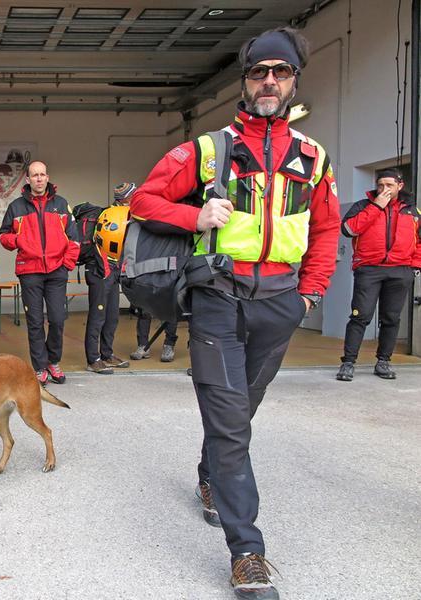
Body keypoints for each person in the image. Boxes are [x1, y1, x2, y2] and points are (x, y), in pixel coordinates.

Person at [130, 28, 339, 599]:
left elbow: (324, 230)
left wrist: (310, 295)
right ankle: (248, 552)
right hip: (219, 299)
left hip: (280, 303)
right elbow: (143, 200)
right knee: (229, 422)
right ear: (243, 83)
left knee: (242, 412)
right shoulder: (207, 148)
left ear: (295, 80)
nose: (269, 81)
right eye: (258, 72)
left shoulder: (314, 157)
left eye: (281, 72)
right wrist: (193, 218)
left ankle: (208, 476)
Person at [0, 160, 79, 385]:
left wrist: (67, 265)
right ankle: (40, 367)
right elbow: (3, 236)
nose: (39, 178)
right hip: (30, 272)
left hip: (56, 271)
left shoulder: (61, 205)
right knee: (34, 321)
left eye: (43, 174)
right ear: (28, 179)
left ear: (47, 177)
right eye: (35, 175)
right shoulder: (16, 207)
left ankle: (53, 361)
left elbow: (74, 238)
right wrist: (20, 240)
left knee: (57, 319)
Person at [337, 170, 421, 381]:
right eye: (380, 184)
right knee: (360, 316)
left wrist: (414, 266)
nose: (384, 189)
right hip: (369, 269)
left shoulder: (412, 211)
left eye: (389, 185)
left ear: (400, 186)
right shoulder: (363, 205)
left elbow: (419, 242)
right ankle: (348, 363)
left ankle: (383, 362)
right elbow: (348, 229)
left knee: (391, 318)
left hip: (400, 271)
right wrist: (376, 207)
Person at [83, 183, 134, 374]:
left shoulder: (126, 216)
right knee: (98, 315)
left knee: (112, 315)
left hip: (114, 268)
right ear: (125, 199)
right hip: (99, 268)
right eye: (132, 195)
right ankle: (93, 359)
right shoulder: (109, 215)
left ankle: (106, 354)